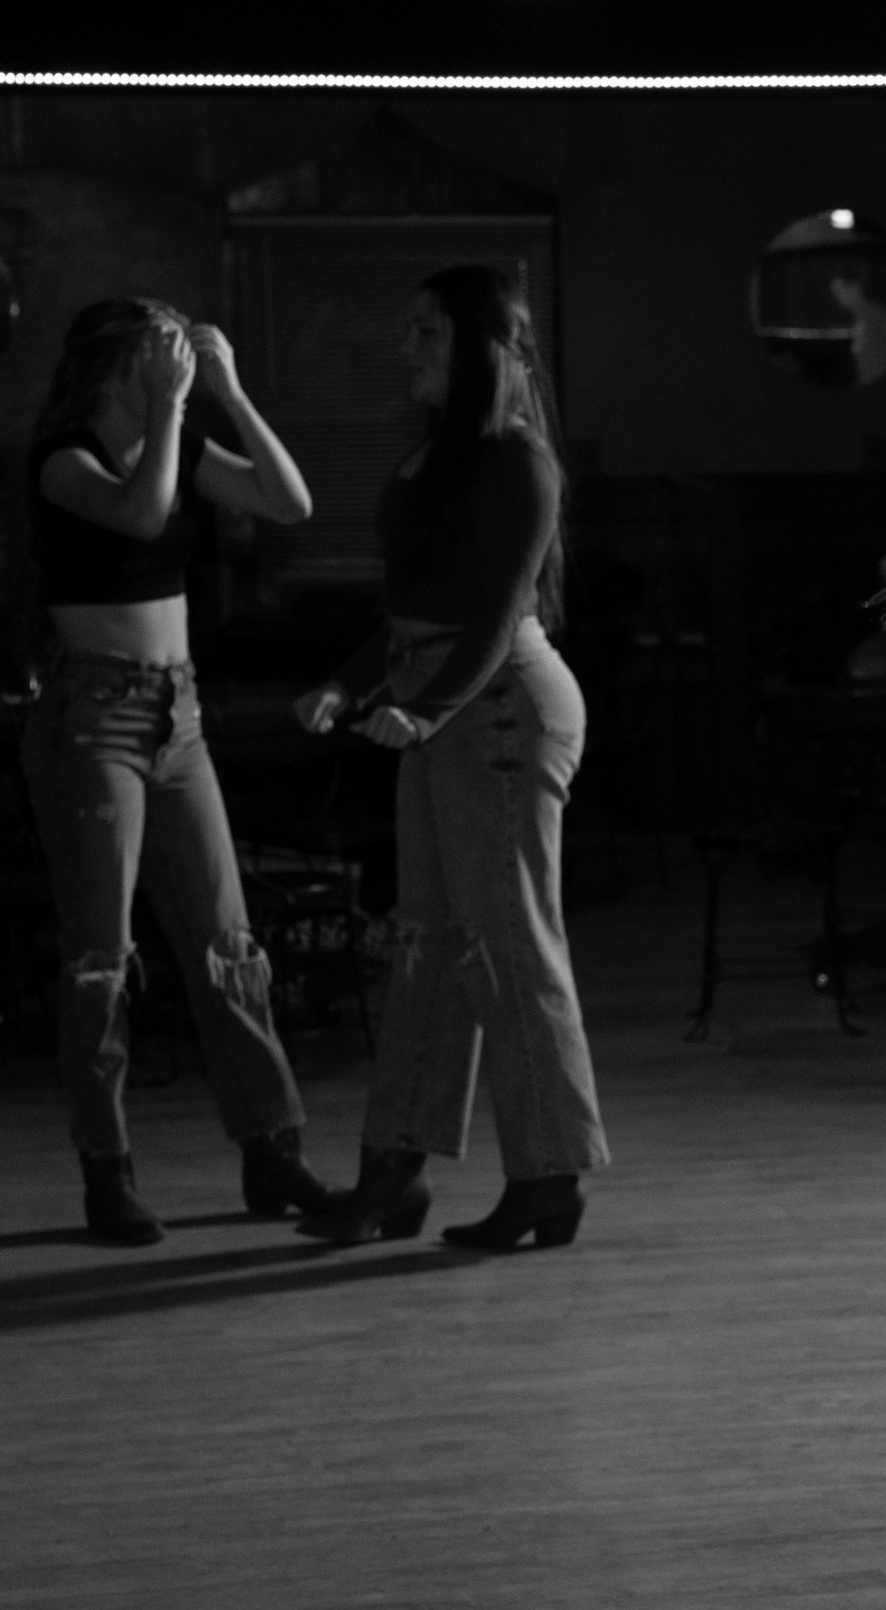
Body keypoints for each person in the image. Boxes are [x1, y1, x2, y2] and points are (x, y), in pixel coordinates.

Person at [293, 264, 607, 1250]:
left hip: (501, 707)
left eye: (427, 332)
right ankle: (394, 1170)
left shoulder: (520, 461)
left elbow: (498, 614)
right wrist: (349, 684)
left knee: (507, 943)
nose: (408, 349)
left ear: (482, 347)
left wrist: (423, 710)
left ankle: (548, 1177)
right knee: (428, 943)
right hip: (443, 703)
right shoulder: (442, 455)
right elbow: (412, 610)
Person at [22, 296, 330, 1244]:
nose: (179, 365)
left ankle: (272, 1151)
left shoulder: (181, 441)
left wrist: (228, 392)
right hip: (93, 719)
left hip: (178, 715)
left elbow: (291, 502)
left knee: (227, 941)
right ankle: (107, 1171)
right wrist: (167, 411)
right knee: (100, 959)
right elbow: (141, 514)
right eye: (162, 351)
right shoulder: (65, 457)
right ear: (119, 363)